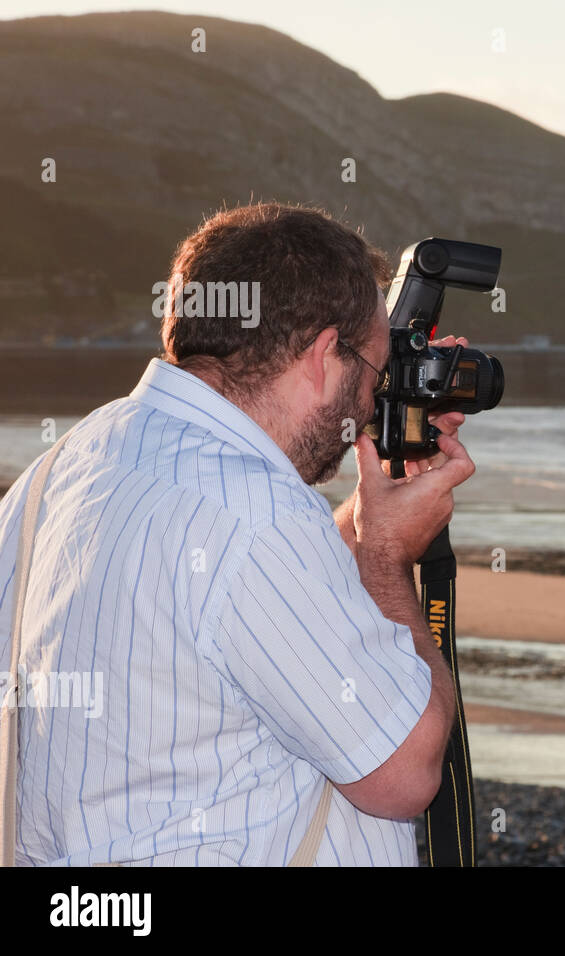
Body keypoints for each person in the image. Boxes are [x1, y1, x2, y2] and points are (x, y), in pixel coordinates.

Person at [0, 202, 475, 865]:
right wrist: (389, 557)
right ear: (320, 358)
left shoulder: (68, 464)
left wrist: (370, 522)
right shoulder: (257, 517)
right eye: (373, 368)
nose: (372, 401)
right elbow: (405, 772)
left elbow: (245, 600)